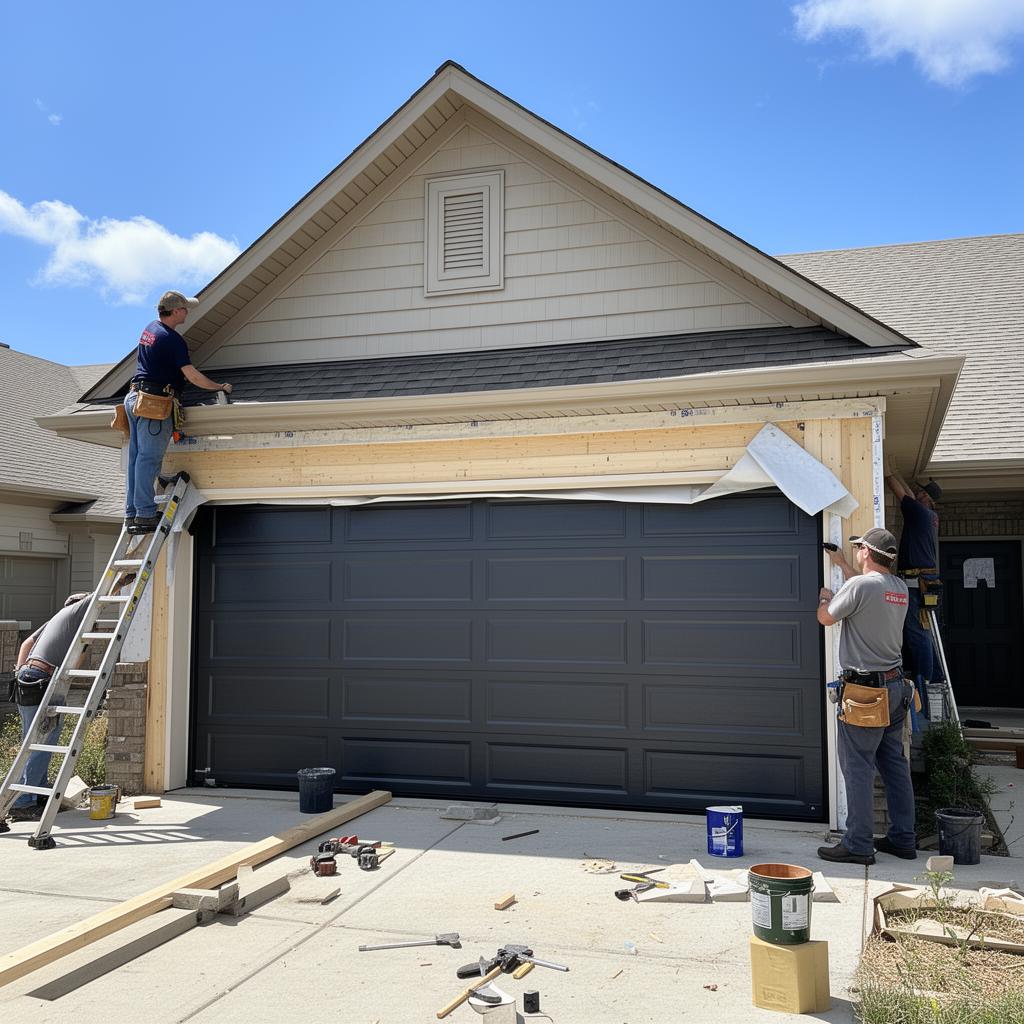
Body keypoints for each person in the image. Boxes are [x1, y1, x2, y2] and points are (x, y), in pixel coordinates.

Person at [816, 528, 917, 865]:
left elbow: (826, 618)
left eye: (859, 547)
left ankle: (858, 844)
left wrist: (825, 598)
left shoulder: (860, 586)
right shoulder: (897, 588)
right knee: (894, 765)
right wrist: (843, 564)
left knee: (858, 767)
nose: (857, 551)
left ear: (867, 553)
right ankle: (903, 839)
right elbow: (863, 592)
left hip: (865, 694)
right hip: (896, 688)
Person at [125, 291, 232, 533]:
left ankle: (132, 513)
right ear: (175, 311)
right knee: (148, 459)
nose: (187, 312)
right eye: (185, 309)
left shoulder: (150, 329)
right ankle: (145, 514)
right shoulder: (171, 339)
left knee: (137, 459)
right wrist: (219, 387)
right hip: (154, 403)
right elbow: (192, 376)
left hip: (135, 398)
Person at [6, 592, 92, 821]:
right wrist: (122, 582)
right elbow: (74, 667)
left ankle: (36, 793)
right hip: (42, 679)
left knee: (33, 740)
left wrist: (20, 671)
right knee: (42, 743)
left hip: (29, 677)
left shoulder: (55, 621)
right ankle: (24, 802)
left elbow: (27, 643)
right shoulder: (76, 615)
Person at [885, 465, 943, 704]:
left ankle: (924, 687)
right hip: (923, 581)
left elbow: (900, 492)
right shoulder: (928, 515)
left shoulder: (919, 512)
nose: (917, 493)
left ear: (927, 498)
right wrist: (895, 467)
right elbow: (909, 494)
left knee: (916, 634)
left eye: (921, 492)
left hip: (915, 583)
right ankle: (933, 679)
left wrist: (887, 471)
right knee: (922, 634)